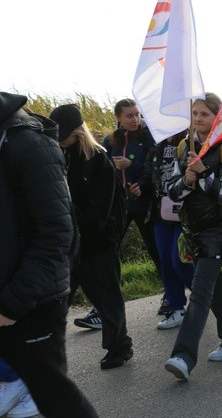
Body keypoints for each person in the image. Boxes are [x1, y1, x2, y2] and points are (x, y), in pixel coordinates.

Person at [0, 93, 98, 417]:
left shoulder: (28, 143)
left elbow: (56, 234)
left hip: (31, 302)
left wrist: (12, 304)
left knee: (58, 401)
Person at [163, 93, 222, 381]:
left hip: (218, 230)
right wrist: (186, 180)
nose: (198, 118)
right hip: (193, 228)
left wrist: (202, 172)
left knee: (199, 293)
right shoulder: (185, 146)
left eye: (204, 114)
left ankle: (183, 355)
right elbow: (172, 191)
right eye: (195, 113)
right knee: (215, 289)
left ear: (217, 117)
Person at [49, 103, 133, 371]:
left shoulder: (99, 161)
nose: (58, 140)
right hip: (69, 243)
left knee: (108, 299)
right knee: (57, 303)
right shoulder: (60, 158)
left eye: (62, 134)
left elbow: (100, 212)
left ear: (77, 133)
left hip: (98, 242)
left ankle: (120, 346)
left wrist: (67, 213)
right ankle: (48, 358)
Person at [130, 131, 195, 330]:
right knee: (165, 261)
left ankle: (205, 295)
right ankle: (176, 307)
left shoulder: (189, 145)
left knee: (179, 260)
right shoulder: (156, 149)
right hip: (161, 214)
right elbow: (148, 177)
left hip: (184, 213)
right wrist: (140, 187)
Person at [101, 99, 161, 314]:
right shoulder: (111, 140)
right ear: (118, 117)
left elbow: (154, 166)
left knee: (156, 250)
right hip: (120, 205)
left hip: (144, 203)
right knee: (108, 251)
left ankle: (172, 296)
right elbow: (103, 170)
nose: (135, 119)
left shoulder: (148, 137)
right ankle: (104, 304)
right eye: (129, 116)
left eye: (137, 114)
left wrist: (131, 165)